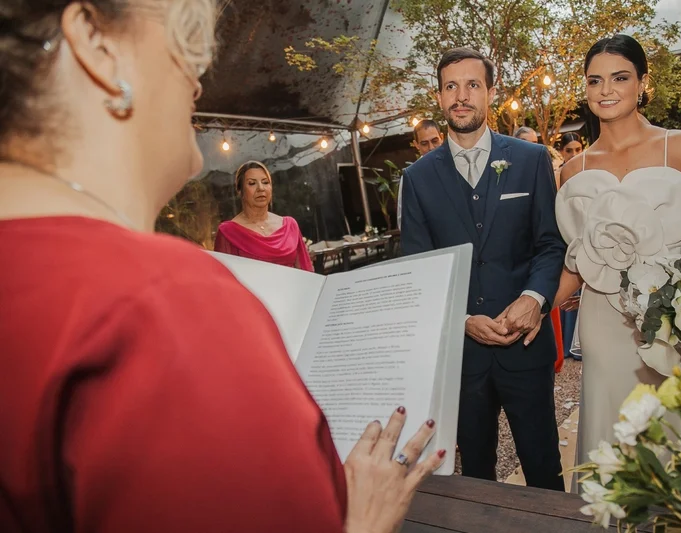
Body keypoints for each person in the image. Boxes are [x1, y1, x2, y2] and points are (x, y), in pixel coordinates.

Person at [0, 1, 445, 531]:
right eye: (183, 45)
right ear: (97, 46)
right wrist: (362, 522)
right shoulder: (167, 300)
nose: (199, 80)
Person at [552, 34, 681, 490]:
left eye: (620, 77)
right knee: (614, 423)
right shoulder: (572, 171)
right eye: (595, 81)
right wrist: (536, 304)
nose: (606, 90)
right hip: (605, 318)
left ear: (643, 82)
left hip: (675, 314)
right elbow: (577, 258)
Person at [401, 47, 566, 491]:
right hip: (461, 357)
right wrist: (461, 321)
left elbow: (551, 244)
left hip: (525, 346)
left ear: (491, 93)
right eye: (451, 86)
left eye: (472, 85)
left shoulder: (530, 159)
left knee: (544, 469)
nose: (461, 96)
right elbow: (419, 270)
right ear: (439, 97)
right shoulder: (416, 179)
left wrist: (534, 299)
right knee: (475, 477)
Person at [513, 127, 566, 374]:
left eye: (536, 142)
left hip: (544, 270)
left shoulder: (546, 168)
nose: (534, 148)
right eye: (527, 142)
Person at [214, 160, 313, 271]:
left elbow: (306, 272)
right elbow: (223, 277)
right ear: (240, 190)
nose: (261, 188)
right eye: (252, 183)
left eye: (265, 182)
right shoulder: (228, 232)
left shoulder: (290, 226)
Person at [555, 132, 584, 361]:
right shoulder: (559, 175)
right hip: (567, 241)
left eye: (578, 149)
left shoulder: (591, 167)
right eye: (569, 150)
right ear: (561, 152)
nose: (574, 154)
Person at [398, 119, 443, 231]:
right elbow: (404, 220)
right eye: (424, 143)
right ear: (416, 145)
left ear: (442, 138)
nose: (431, 147)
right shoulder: (411, 176)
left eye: (435, 141)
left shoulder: (457, 165)